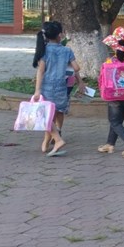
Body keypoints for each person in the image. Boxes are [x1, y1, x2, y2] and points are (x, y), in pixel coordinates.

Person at [32, 21, 82, 157]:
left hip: (47, 87)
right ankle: (49, 140)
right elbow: (76, 68)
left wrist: (37, 90)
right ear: (60, 35)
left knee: (45, 115)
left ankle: (56, 139)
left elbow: (40, 71)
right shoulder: (67, 50)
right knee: (55, 114)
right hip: (61, 87)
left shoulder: (44, 50)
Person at [97, 27, 124, 157]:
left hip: (114, 95)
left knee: (114, 122)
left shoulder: (110, 62)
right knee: (117, 121)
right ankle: (110, 144)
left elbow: (104, 79)